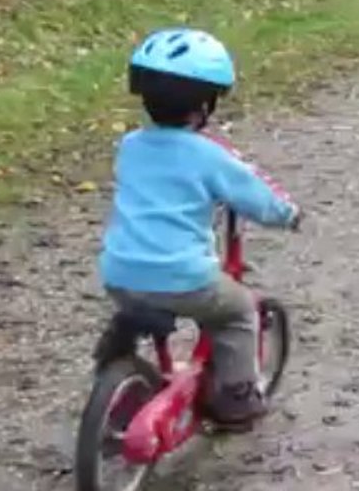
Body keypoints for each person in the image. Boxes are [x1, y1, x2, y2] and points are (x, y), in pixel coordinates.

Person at [98, 28, 302, 425]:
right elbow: (258, 195)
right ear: (204, 105)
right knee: (239, 311)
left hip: (120, 271)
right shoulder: (209, 154)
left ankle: (117, 366)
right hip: (183, 277)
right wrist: (288, 215)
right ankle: (236, 398)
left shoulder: (130, 145)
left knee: (138, 305)